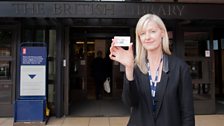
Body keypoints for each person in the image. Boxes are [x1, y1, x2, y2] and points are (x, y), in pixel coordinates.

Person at [109, 14, 195, 126]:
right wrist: (129, 68)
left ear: (162, 33)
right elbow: (130, 102)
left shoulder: (180, 68)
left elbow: (187, 114)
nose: (147, 37)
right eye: (143, 33)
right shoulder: (136, 67)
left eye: (152, 31)